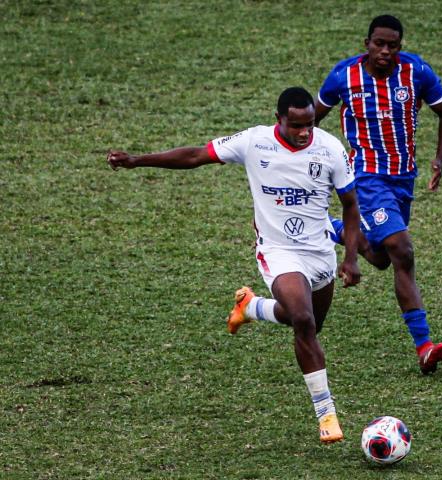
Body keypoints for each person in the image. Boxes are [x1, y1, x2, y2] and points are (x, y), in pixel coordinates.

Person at [107, 87, 361, 443]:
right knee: (302, 319)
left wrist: (349, 258)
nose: (305, 132)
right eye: (297, 126)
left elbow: (350, 205)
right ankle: (327, 414)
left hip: (319, 252)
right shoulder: (255, 142)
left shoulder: (329, 148)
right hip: (278, 251)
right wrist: (137, 160)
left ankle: (251, 306)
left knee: (306, 324)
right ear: (279, 120)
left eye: (310, 124)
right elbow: (196, 155)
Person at [314, 15, 442, 375]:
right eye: (379, 43)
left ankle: (331, 228)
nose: (385, 51)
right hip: (365, 177)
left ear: (400, 47)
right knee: (402, 250)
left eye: (392, 45)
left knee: (380, 258)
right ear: (367, 43)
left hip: (402, 179)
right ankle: (424, 346)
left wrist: (439, 158)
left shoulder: (416, 72)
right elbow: (311, 119)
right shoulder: (343, 77)